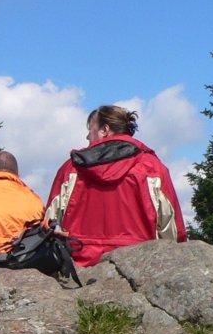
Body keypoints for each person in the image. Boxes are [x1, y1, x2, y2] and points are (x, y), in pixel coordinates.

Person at [46, 105, 186, 266]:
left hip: (80, 263)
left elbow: (50, 223)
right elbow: (172, 226)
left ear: (104, 130)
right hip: (140, 264)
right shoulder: (152, 167)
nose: (87, 136)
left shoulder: (72, 168)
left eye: (90, 129)